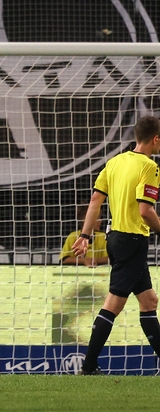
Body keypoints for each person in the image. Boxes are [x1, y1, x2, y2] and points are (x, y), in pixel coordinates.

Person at [72, 115, 160, 374]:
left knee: (149, 301)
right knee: (114, 304)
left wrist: (85, 236)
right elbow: (145, 211)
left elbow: (94, 202)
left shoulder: (115, 162)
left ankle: (89, 366)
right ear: (155, 139)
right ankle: (88, 366)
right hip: (133, 239)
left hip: (115, 239)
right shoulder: (149, 167)